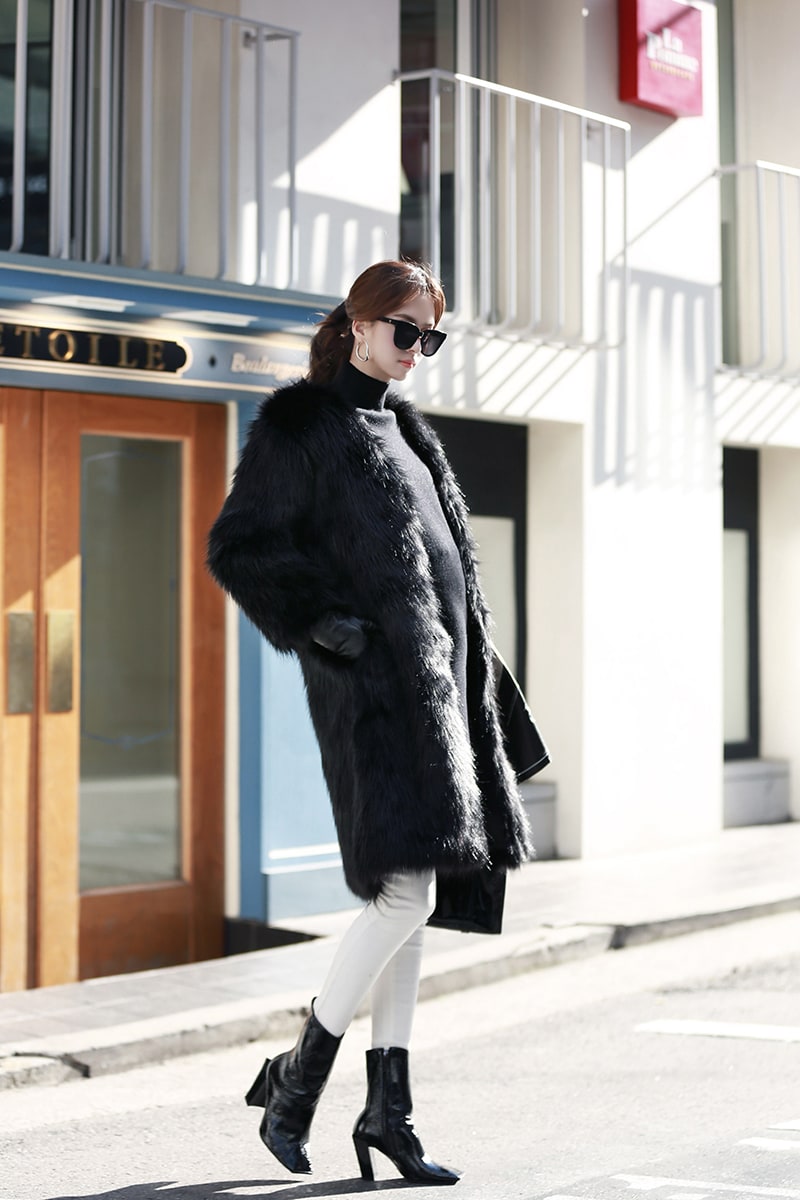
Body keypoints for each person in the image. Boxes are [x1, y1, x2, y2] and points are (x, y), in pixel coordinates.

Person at [207, 259, 538, 1186]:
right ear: (358, 324)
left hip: (446, 694)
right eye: (405, 330)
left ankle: (388, 1113)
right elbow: (239, 547)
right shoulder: (302, 428)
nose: (417, 349)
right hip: (376, 697)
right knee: (405, 897)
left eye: (431, 336)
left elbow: (447, 570)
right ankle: (298, 1077)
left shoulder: (408, 430)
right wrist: (325, 625)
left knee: (414, 897)